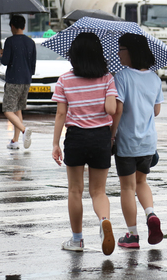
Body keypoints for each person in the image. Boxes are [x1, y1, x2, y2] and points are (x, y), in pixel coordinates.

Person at [51, 33, 117, 255]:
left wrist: (55, 144)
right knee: (98, 191)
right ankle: (104, 220)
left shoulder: (64, 80)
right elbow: (111, 110)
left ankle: (77, 240)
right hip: (100, 137)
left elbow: (61, 114)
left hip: (76, 138)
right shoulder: (107, 78)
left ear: (74, 55)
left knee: (75, 191)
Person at [111, 33, 164, 249]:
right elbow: (157, 110)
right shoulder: (154, 78)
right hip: (148, 143)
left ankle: (132, 236)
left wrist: (112, 134)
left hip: (127, 142)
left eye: (121, 49)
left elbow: (118, 109)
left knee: (126, 188)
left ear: (131, 51)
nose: (118, 53)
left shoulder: (121, 77)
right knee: (141, 182)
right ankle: (150, 214)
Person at [0, 15, 36, 150]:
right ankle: (15, 141)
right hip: (26, 80)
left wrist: (1, 54)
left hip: (14, 80)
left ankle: (25, 131)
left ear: (12, 26)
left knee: (7, 110)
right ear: (24, 26)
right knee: (18, 109)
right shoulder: (31, 42)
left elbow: (5, 61)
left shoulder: (10, 41)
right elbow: (33, 64)